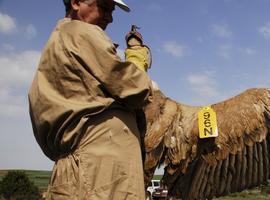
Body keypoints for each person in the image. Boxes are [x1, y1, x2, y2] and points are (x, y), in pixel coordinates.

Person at [28, 0, 153, 199]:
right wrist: (137, 56)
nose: (110, 18)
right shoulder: (81, 32)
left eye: (112, 11)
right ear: (76, 2)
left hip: (82, 169)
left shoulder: (59, 40)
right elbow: (134, 87)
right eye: (104, 8)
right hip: (101, 171)